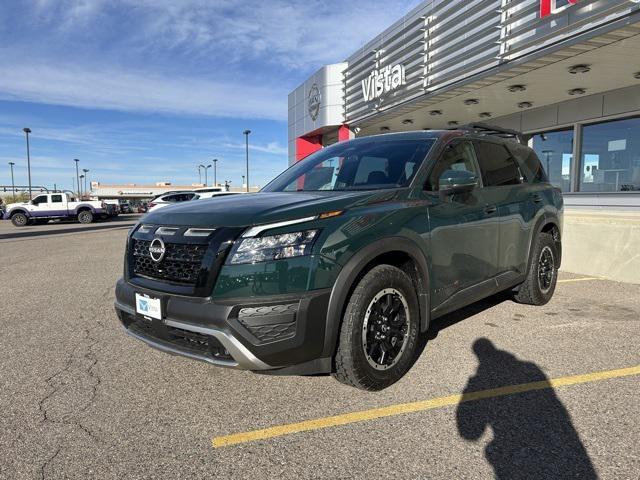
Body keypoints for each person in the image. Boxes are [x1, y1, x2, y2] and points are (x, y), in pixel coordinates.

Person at [457, 338, 597, 479]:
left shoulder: (480, 379)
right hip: (559, 440)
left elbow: (470, 433)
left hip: (514, 448)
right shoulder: (530, 367)